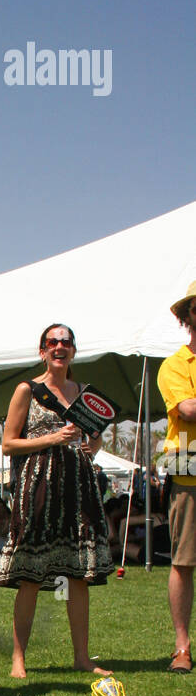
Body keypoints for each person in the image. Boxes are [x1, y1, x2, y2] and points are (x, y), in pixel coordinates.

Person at [0, 324, 113, 678]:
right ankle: (18, 658)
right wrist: (53, 438)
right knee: (31, 574)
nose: (59, 347)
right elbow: (8, 444)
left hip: (79, 488)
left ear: (73, 351)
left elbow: (94, 438)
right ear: (43, 350)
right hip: (39, 488)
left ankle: (82, 657)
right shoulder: (27, 391)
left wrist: (96, 446)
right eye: (53, 342)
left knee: (79, 574)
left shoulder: (84, 393)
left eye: (66, 342)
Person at [157, 280, 196, 673]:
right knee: (184, 562)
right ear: (187, 316)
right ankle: (181, 647)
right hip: (190, 471)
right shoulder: (174, 364)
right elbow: (187, 409)